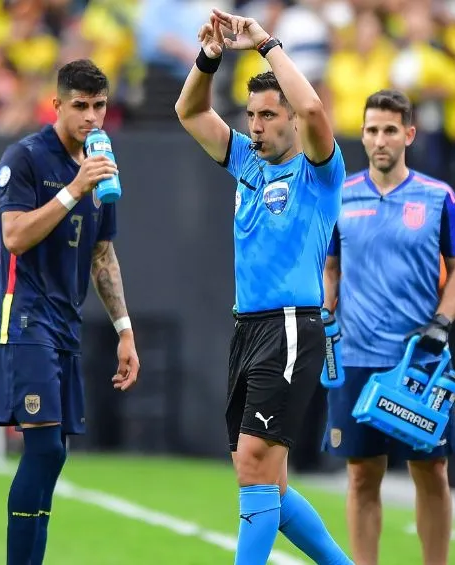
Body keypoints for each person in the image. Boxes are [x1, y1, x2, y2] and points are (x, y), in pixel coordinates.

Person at [175, 9, 352, 565]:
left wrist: (264, 44)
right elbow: (189, 110)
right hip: (247, 328)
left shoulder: (319, 173)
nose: (255, 125)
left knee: (256, 462)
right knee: (264, 480)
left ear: (291, 122)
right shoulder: (246, 163)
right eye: (251, 114)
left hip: (291, 326)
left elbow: (316, 108)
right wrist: (210, 56)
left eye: (268, 115)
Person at [0, 59, 141, 565]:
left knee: (55, 454)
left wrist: (124, 329)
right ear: (57, 104)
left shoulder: (103, 165)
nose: (92, 118)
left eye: (99, 106)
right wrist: (75, 189)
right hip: (24, 316)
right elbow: (14, 236)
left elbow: (101, 254)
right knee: (45, 450)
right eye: (81, 106)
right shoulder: (27, 157)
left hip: (64, 324)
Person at [321, 89, 455, 565]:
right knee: (362, 475)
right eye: (371, 130)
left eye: (389, 130)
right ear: (361, 135)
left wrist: (441, 323)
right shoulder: (341, 196)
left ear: (409, 134)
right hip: (356, 357)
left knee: (432, 471)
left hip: (418, 364)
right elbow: (331, 267)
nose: (380, 139)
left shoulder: (437, 197)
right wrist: (326, 315)